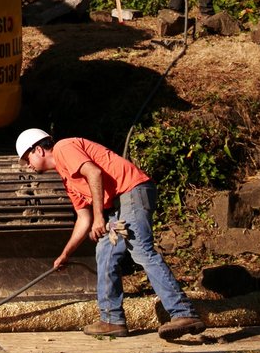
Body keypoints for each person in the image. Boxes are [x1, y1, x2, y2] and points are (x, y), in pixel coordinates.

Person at [17, 128, 207, 340]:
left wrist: (100, 217)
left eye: (27, 159)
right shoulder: (68, 180)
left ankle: (184, 313)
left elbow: (94, 173)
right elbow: (84, 219)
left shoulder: (63, 148)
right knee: (105, 251)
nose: (29, 166)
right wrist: (65, 254)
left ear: (38, 150)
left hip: (132, 190)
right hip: (118, 203)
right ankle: (111, 320)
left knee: (141, 251)